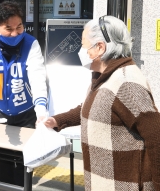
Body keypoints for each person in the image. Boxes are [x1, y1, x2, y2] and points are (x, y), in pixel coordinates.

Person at [41, 15, 160, 190]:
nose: (80, 51)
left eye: (83, 45)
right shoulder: (103, 77)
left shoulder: (127, 83)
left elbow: (155, 135)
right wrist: (58, 120)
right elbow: (95, 108)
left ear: (100, 47)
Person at [0, 1, 48, 186]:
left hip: (26, 112)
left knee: (25, 159)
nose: (15, 34)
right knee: (4, 158)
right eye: (9, 29)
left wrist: (41, 108)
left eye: (19, 27)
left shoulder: (31, 44)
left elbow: (37, 76)